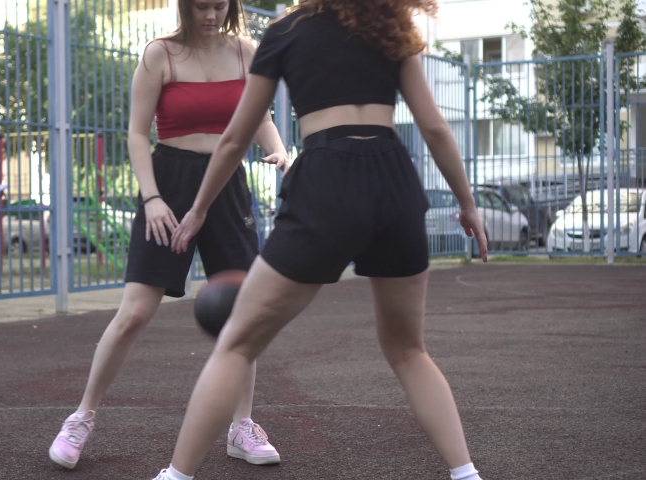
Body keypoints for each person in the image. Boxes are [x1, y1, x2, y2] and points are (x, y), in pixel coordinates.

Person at [151, 1, 490, 479]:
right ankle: (466, 473)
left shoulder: (287, 30)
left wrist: (200, 208)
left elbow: (234, 139)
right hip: (394, 181)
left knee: (237, 342)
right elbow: (433, 126)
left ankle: (176, 476)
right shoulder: (391, 25)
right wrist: (467, 204)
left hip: (328, 179)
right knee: (409, 349)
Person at [47, 0, 290, 471]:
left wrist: (279, 150)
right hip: (169, 182)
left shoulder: (246, 53)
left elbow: (257, 118)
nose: (210, 15)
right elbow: (137, 134)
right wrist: (152, 198)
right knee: (135, 311)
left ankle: (242, 426)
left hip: (227, 183)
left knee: (242, 311)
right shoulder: (160, 55)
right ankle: (81, 417)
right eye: (201, 6)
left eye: (219, 5)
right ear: (185, 6)